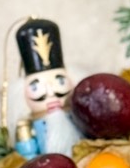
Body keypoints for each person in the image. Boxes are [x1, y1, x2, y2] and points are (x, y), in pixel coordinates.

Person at [11, 18, 80, 158]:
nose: (50, 93)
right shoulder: (30, 126)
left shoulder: (77, 117)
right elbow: (28, 155)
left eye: (60, 82)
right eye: (36, 87)